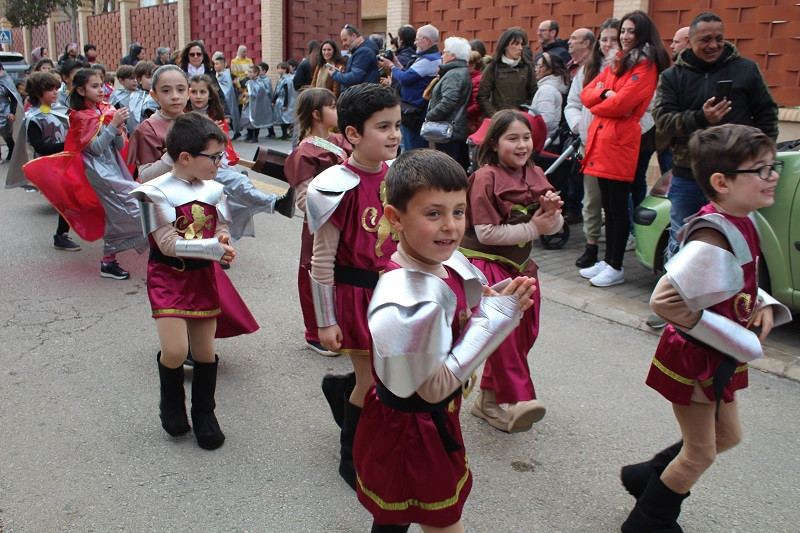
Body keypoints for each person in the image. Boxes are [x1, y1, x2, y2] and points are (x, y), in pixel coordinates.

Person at [353, 149, 537, 532]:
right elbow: (432, 388)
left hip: (430, 422)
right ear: (395, 219)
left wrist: (492, 299)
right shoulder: (403, 301)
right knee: (440, 521)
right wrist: (495, 322)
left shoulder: (444, 262)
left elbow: (465, 305)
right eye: (433, 213)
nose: (451, 226)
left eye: (458, 211)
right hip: (412, 431)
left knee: (395, 517)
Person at [620, 124, 791, 531]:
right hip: (697, 357)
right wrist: (734, 335)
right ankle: (649, 520)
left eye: (773, 167)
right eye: (762, 170)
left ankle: (648, 477)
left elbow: (736, 280)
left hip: (719, 354)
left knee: (726, 437)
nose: (773, 177)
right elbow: (663, 300)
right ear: (722, 182)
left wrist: (761, 303)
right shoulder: (711, 239)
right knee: (701, 452)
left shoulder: (742, 219)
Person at [130, 113, 260, 451]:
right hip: (167, 275)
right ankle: (171, 402)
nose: (221, 162)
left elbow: (221, 226)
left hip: (202, 275)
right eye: (215, 157)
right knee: (175, 350)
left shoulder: (216, 189)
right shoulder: (151, 193)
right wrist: (214, 248)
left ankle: (205, 414)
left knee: (204, 351)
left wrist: (224, 241)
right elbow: (167, 243)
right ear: (185, 157)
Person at [306, 83, 401, 490]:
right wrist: (325, 322)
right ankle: (352, 458)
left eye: (398, 124)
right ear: (352, 134)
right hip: (356, 297)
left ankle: (341, 391)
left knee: (391, 377)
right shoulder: (334, 186)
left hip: (394, 294)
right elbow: (322, 261)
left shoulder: (401, 176)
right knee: (373, 383)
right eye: (383, 126)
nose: (395, 134)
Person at [460, 109, 564, 433]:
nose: (522, 145)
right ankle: (520, 398)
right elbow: (487, 233)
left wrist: (550, 215)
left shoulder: (536, 173)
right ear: (493, 143)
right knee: (503, 335)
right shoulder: (485, 177)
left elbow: (551, 226)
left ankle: (487, 402)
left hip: (521, 267)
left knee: (523, 333)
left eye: (526, 137)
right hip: (486, 265)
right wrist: (535, 228)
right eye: (512, 138)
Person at [654, 12, 778, 261]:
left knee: (736, 240)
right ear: (689, 41)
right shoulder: (672, 77)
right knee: (683, 237)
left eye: (718, 38)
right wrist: (701, 119)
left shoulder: (746, 69)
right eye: (705, 39)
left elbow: (767, 114)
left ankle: (733, 295)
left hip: (737, 176)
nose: (713, 45)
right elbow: (662, 121)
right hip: (688, 175)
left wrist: (760, 159)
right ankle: (679, 296)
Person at [127, 66, 294, 240]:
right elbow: (145, 178)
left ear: (187, 93)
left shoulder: (196, 121)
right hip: (172, 212)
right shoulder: (147, 129)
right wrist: (174, 154)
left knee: (235, 192)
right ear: (154, 95)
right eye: (166, 90)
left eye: (180, 89)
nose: (175, 96)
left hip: (203, 202)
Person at [25, 68, 147, 279]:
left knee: (119, 210)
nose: (101, 90)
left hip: (113, 168)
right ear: (81, 90)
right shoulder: (81, 116)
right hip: (99, 172)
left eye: (101, 85)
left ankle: (112, 260)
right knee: (130, 205)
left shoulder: (106, 109)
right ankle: (115, 259)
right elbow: (96, 148)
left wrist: (117, 129)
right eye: (95, 86)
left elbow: (118, 145)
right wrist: (113, 124)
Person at [578, 10, 670, 287]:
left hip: (618, 143)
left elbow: (623, 104)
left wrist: (602, 101)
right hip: (602, 141)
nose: (626, 36)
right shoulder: (616, 62)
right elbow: (587, 93)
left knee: (617, 207)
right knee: (608, 204)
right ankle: (607, 261)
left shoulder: (646, 66)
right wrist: (605, 94)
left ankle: (615, 265)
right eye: (624, 31)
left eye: (632, 31)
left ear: (642, 34)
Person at [284, 88, 352, 356]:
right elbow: (304, 200)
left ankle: (343, 327)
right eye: (332, 106)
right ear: (316, 113)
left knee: (345, 273)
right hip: (321, 223)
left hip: (349, 221)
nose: (337, 111)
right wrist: (339, 197)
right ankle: (315, 331)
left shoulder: (339, 139)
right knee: (316, 273)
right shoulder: (304, 151)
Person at [565, 18, 620, 269]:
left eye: (614, 39)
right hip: (590, 144)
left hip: (618, 146)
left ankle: (614, 253)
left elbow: (647, 111)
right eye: (605, 39)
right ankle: (591, 246)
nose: (609, 44)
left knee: (617, 202)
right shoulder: (590, 69)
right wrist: (579, 126)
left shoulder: (634, 72)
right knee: (592, 199)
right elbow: (573, 103)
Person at [379, 24, 441, 152]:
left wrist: (391, 66)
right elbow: (409, 75)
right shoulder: (429, 58)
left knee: (412, 151)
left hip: (414, 113)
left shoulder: (428, 60)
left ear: (427, 40)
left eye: (418, 39)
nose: (415, 42)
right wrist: (396, 62)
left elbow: (406, 79)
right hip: (413, 111)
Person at [423, 36, 472, 170]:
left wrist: (430, 116)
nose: (442, 55)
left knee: (445, 169)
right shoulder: (459, 72)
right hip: (453, 129)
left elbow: (448, 102)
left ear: (453, 56)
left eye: (444, 52)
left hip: (448, 131)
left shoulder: (454, 74)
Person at [477, 27, 537, 118]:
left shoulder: (527, 68)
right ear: (505, 45)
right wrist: (495, 116)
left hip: (520, 120)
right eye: (516, 44)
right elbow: (482, 96)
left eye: (522, 44)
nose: (520, 48)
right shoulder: (493, 67)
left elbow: (534, 94)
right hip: (498, 120)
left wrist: (524, 112)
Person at [177, 41, 230, 118]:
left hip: (209, 113)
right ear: (187, 56)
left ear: (203, 56)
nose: (195, 57)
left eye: (198, 54)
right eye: (192, 54)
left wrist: (227, 114)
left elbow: (218, 94)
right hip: (187, 113)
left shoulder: (210, 72)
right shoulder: (181, 74)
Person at [531, 52, 570, 140]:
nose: (536, 69)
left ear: (549, 70)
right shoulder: (550, 88)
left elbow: (545, 120)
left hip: (542, 141)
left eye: (539, 66)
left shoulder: (547, 90)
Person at [330, 24, 379, 92]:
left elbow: (354, 78)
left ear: (353, 36)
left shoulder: (363, 52)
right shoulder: (361, 51)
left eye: (345, 40)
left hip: (361, 97)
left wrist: (334, 75)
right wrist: (344, 73)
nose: (343, 44)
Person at [240, 63, 275, 142]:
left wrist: (249, 94)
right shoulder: (249, 82)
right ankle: (249, 134)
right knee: (247, 118)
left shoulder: (260, 82)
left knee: (255, 119)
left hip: (257, 105)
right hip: (249, 104)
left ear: (256, 73)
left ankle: (255, 136)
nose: (249, 73)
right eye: (248, 72)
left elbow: (259, 92)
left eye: (251, 72)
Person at [212, 56, 241, 137]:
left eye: (217, 64)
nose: (215, 66)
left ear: (222, 65)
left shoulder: (226, 74)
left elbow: (226, 88)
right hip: (221, 98)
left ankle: (235, 131)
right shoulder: (217, 74)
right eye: (214, 64)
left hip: (226, 98)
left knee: (229, 114)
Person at [129, 60, 159, 129]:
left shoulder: (160, 94)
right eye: (148, 77)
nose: (152, 80)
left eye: (154, 76)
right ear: (139, 80)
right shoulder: (134, 97)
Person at [0, 63, 20, 162]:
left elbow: (13, 97)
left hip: (4, 110)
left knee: (6, 134)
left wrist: (12, 112)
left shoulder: (6, 79)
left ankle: (12, 152)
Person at [272, 62, 296, 140]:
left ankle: (290, 133)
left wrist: (285, 104)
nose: (278, 70)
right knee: (281, 119)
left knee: (287, 119)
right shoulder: (280, 79)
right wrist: (274, 100)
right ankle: (284, 134)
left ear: (285, 69)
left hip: (285, 101)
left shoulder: (287, 80)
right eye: (278, 68)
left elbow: (287, 92)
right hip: (279, 100)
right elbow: (277, 91)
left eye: (280, 68)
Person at [466, 50, 484, 134]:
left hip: (473, 123)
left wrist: (462, 113)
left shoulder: (477, 80)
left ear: (473, 64)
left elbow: (477, 106)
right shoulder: (470, 78)